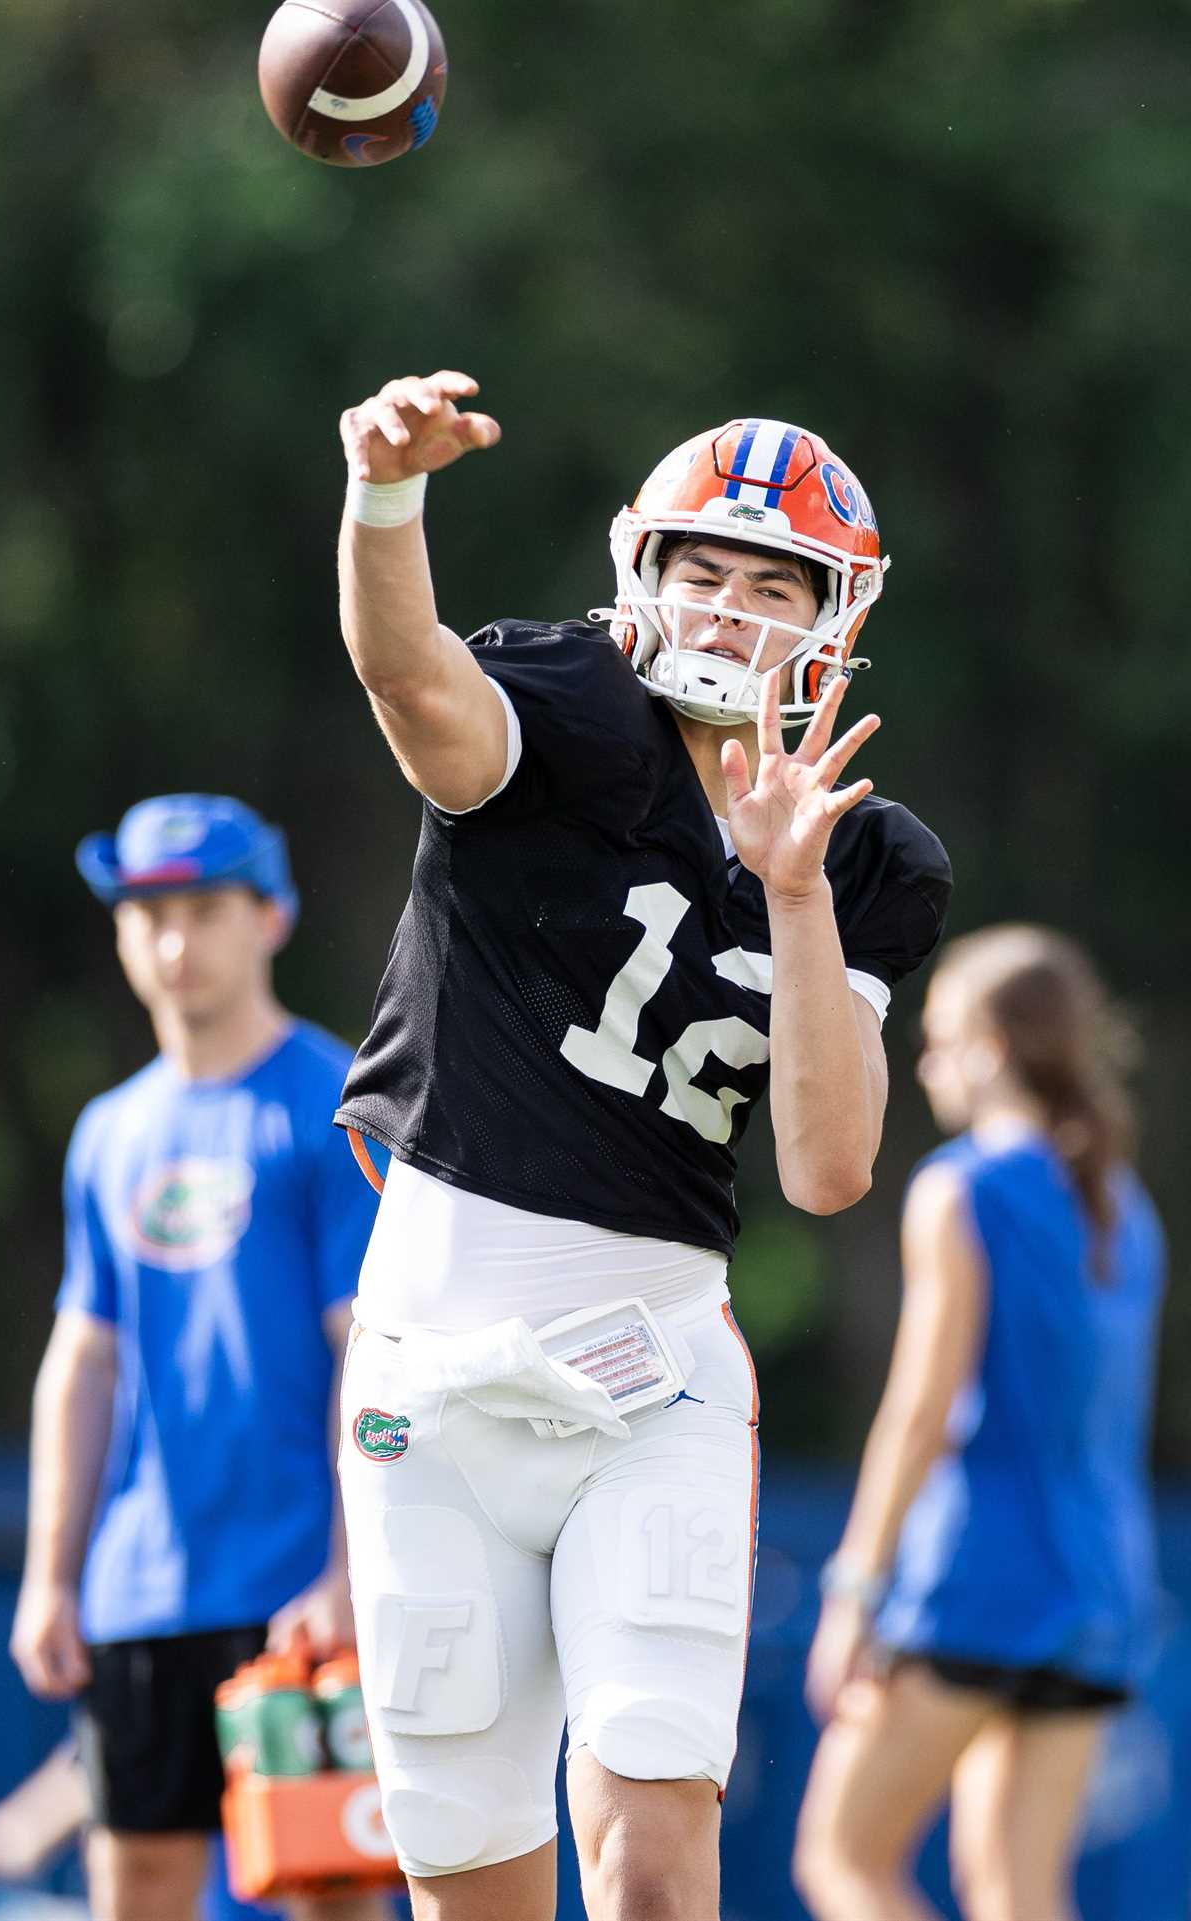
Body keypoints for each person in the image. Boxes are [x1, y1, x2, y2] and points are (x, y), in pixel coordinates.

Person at [329, 371, 952, 1921]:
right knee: (468, 1874)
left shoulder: (866, 852)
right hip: (433, 1355)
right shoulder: (557, 705)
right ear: (642, 575)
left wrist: (793, 895)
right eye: (703, 572)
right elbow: (410, 687)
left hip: (654, 1368)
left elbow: (825, 1167)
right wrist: (383, 497)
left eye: (771, 586)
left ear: (835, 619)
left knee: (655, 1860)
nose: (731, 614)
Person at [9, 793, 387, 1921]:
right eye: (147, 913)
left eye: (206, 909)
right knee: (140, 1893)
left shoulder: (335, 1101)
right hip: (140, 1593)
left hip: (295, 1597)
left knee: (329, 1891)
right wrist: (52, 1576)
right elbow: (83, 1360)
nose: (175, 942)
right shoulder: (107, 1131)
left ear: (270, 916)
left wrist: (349, 1571)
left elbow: (369, 1352)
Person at [794, 925, 1165, 1921]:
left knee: (840, 1858)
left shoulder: (959, 1187)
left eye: (938, 1035)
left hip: (976, 1583)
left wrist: (853, 1589)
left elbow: (918, 1411)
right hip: (1100, 1588)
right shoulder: (1124, 1209)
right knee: (1017, 1893)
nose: (921, 1062)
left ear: (989, 1049)